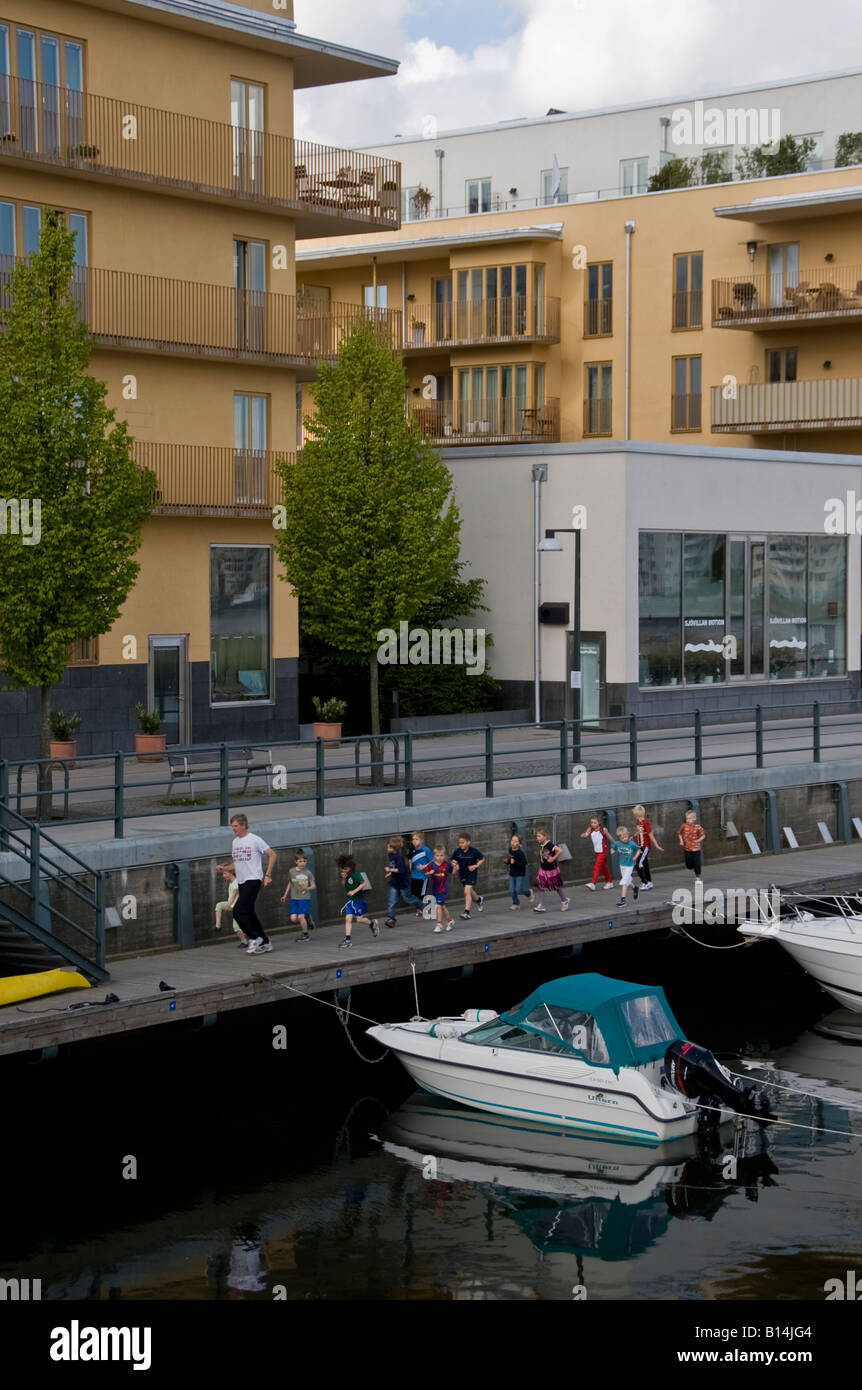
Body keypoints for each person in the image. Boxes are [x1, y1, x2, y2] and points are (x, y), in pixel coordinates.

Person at [230, 813, 276, 954]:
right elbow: (237, 863)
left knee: (237, 911)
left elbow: (272, 854)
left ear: (244, 825)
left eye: (236, 826)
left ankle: (255, 937)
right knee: (249, 913)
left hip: (254, 879)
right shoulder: (235, 842)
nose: (234, 829)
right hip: (242, 881)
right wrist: (224, 868)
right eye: (232, 827)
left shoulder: (255, 839)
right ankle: (266, 942)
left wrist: (268, 875)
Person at [336, 854, 379, 948]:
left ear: (350, 867)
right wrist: (343, 878)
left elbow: (363, 884)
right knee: (348, 919)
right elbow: (344, 884)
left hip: (358, 901)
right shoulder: (345, 875)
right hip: (350, 901)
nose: (343, 870)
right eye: (342, 868)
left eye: (345, 868)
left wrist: (354, 891)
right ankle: (348, 940)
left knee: (359, 919)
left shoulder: (356, 875)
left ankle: (372, 923)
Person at [383, 835, 424, 927]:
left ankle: (421, 905)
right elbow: (394, 867)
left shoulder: (399, 857)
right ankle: (391, 919)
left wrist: (390, 870)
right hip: (394, 882)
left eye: (389, 847)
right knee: (392, 901)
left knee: (408, 898)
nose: (387, 848)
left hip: (403, 882)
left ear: (394, 848)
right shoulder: (391, 855)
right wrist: (390, 873)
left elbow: (401, 870)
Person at [280, 849, 315, 942]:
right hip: (294, 898)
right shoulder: (291, 871)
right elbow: (290, 883)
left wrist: (306, 888)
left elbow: (313, 886)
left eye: (304, 861)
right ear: (296, 862)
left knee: (300, 917)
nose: (303, 863)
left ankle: (306, 934)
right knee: (293, 918)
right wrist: (285, 895)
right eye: (300, 861)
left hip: (304, 898)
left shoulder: (308, 873)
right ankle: (307, 917)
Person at [533, 828, 570, 912]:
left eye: (539, 836)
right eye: (537, 836)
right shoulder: (542, 844)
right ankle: (541, 905)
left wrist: (553, 858)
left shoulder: (549, 844)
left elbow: (560, 850)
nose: (537, 838)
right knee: (540, 885)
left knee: (556, 886)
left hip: (551, 870)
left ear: (545, 836)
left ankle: (564, 901)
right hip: (543, 869)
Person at [451, 833, 485, 920]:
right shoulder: (457, 851)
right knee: (469, 891)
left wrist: (476, 866)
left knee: (466, 891)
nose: (460, 844)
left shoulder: (474, 851)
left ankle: (467, 912)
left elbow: (482, 859)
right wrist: (455, 864)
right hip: (463, 874)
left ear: (468, 842)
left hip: (472, 873)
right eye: (459, 843)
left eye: (463, 842)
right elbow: (453, 860)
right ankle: (478, 900)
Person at [214, 864, 248, 947]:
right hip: (231, 904)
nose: (223, 876)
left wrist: (228, 905)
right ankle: (218, 926)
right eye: (223, 874)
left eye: (225, 874)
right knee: (219, 905)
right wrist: (220, 868)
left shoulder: (236, 882)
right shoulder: (231, 882)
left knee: (236, 927)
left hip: (237, 907)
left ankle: (244, 942)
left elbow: (234, 894)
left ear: (231, 873)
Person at [609, 826, 642, 907]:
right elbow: (613, 847)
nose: (624, 839)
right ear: (619, 837)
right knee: (627, 880)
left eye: (625, 837)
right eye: (622, 838)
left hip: (630, 865)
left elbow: (639, 850)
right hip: (622, 865)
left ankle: (623, 900)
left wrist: (635, 857)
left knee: (624, 882)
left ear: (628, 834)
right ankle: (635, 888)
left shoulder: (631, 843)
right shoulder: (618, 843)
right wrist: (612, 851)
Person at [424, 846, 455, 933]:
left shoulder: (446, 865)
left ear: (444, 856)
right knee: (442, 906)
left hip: (443, 888)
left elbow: (453, 872)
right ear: (434, 856)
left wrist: (456, 867)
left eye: (441, 855)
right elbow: (426, 872)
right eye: (437, 855)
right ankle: (450, 920)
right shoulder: (431, 864)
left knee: (438, 906)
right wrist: (429, 872)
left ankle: (439, 924)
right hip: (435, 888)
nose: (439, 857)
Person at [632, 804, 663, 890]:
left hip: (645, 847)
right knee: (645, 865)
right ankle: (649, 882)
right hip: (640, 846)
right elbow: (639, 832)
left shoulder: (645, 823)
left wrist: (656, 845)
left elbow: (650, 835)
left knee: (638, 864)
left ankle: (645, 882)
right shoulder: (638, 822)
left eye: (637, 814)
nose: (636, 816)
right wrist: (634, 836)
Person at [580, 815, 614, 891]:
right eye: (592, 822)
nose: (593, 824)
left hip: (603, 851)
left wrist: (615, 844)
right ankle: (609, 882)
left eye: (595, 822)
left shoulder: (603, 829)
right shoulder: (590, 829)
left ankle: (593, 883)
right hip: (597, 852)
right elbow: (586, 834)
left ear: (599, 823)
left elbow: (609, 837)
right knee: (603, 867)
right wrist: (584, 835)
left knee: (597, 867)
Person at [678, 809, 706, 884]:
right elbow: (680, 834)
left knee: (697, 864)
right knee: (689, 865)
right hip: (687, 849)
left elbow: (703, 835)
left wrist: (698, 840)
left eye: (690, 818)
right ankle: (693, 866)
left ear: (694, 818)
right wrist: (681, 841)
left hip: (696, 849)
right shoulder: (683, 826)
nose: (688, 820)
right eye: (687, 818)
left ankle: (698, 878)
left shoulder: (698, 827)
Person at [409, 831, 434, 915]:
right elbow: (410, 861)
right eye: (413, 839)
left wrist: (424, 866)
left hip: (423, 876)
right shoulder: (412, 850)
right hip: (414, 875)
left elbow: (432, 861)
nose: (414, 841)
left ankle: (423, 909)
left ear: (422, 840)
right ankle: (419, 909)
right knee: (413, 893)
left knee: (421, 893)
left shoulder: (426, 850)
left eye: (416, 839)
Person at [505, 833, 532, 909]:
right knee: (512, 890)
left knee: (518, 890)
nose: (513, 842)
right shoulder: (510, 849)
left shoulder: (520, 853)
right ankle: (516, 904)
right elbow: (511, 860)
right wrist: (507, 861)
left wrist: (515, 862)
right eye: (512, 840)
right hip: (512, 873)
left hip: (520, 873)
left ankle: (529, 893)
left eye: (516, 841)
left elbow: (524, 863)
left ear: (519, 843)